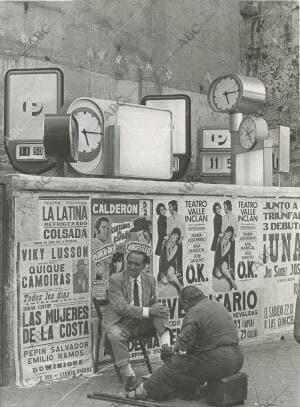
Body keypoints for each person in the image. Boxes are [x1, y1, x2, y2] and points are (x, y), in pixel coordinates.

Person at [128, 286, 244, 401]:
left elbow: (183, 344)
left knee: (174, 364)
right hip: (237, 360)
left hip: (220, 362)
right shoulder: (216, 305)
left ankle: (143, 391)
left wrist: (172, 352)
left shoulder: (195, 311)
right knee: (189, 364)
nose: (184, 311)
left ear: (187, 301)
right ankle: (190, 391)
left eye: (183, 307)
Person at [104, 250, 172, 392]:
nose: (132, 267)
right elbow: (120, 308)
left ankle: (166, 349)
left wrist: (157, 309)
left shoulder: (150, 279)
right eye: (129, 263)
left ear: (144, 266)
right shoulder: (115, 279)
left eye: (136, 264)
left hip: (142, 323)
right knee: (114, 334)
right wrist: (148, 311)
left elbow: (154, 303)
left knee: (160, 309)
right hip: (123, 324)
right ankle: (130, 375)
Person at [157, 227, 183, 293]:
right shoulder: (164, 241)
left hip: (170, 265)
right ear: (171, 234)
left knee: (170, 275)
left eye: (176, 237)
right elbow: (161, 256)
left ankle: (180, 289)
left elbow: (168, 259)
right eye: (174, 235)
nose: (174, 238)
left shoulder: (175, 246)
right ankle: (173, 276)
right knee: (164, 281)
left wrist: (167, 248)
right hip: (163, 265)